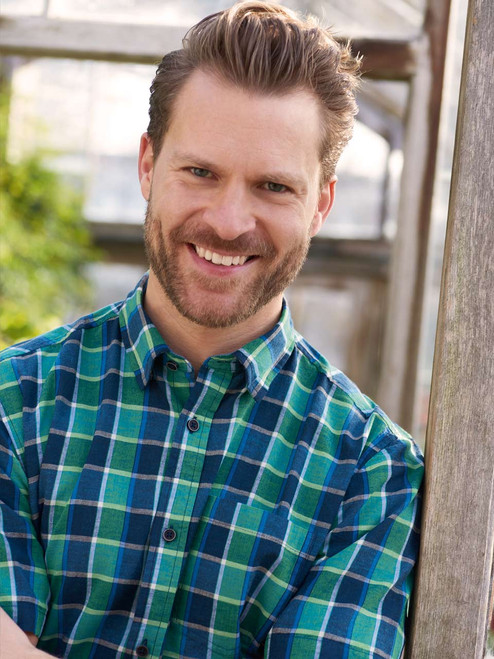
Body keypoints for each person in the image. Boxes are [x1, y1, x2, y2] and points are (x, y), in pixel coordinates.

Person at [0, 2, 424, 657]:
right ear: (148, 165)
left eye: (274, 186)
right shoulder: (14, 400)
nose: (228, 222)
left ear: (321, 204)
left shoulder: (374, 477)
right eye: (200, 172)